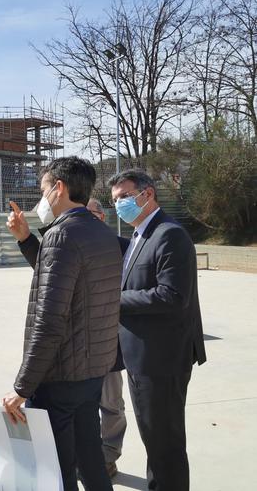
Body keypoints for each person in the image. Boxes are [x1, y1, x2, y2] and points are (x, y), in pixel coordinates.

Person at [2, 157, 122, 491]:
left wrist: (22, 387)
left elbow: (49, 322)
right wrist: (26, 239)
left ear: (59, 188)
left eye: (43, 190)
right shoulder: (101, 232)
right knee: (91, 461)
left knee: (56, 470)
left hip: (60, 378)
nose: (41, 199)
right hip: (92, 372)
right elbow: (66, 283)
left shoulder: (62, 235)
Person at [108, 169, 207, 491]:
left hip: (161, 360)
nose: (119, 205)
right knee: (155, 440)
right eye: (115, 200)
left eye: (124, 197)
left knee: (165, 445)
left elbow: (172, 295)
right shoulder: (140, 235)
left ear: (147, 194)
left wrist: (112, 300)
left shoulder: (169, 234)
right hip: (142, 358)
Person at [87, 198, 127, 478]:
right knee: (80, 406)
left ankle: (108, 456)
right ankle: (86, 455)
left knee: (111, 404)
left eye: (90, 214)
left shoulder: (124, 248)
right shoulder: (70, 249)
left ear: (102, 217)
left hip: (110, 342)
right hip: (78, 345)